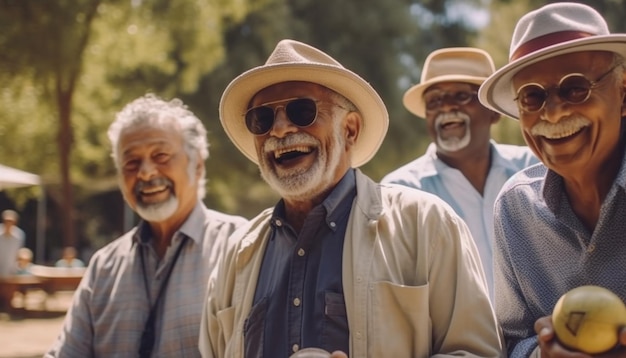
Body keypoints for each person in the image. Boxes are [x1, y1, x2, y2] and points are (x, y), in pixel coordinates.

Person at [199, 39, 503, 358]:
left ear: (351, 130)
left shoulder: (426, 226)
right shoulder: (235, 256)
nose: (279, 129)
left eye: (302, 110)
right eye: (261, 118)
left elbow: (478, 352)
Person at [46, 94, 248, 357]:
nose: (145, 172)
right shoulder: (103, 267)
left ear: (197, 164)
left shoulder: (242, 246)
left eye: (160, 155)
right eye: (131, 162)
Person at [477, 2, 626, 357]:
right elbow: (511, 340)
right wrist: (540, 352)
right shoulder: (515, 208)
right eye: (532, 96)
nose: (553, 112)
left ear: (623, 93)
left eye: (576, 88)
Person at [381, 47, 537, 299]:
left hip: (542, 335)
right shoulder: (399, 192)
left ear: (494, 111)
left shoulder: (533, 169)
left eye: (462, 96)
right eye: (434, 100)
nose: (446, 107)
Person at [0, 209, 26, 277]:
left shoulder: (19, 235)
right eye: (7, 221)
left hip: (11, 271)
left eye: (11, 221)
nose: (8, 223)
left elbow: (19, 252)